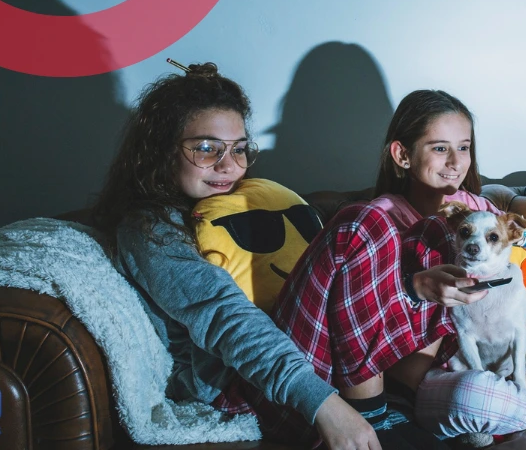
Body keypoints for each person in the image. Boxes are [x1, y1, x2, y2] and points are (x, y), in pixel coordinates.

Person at [94, 62, 451, 450]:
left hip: (313, 357)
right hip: (243, 388)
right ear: (161, 151)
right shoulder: (150, 229)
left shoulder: (251, 200)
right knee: (360, 222)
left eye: (239, 149)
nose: (228, 165)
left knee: (425, 241)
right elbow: (225, 317)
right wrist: (325, 406)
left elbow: (336, 294)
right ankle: (374, 412)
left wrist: (413, 287)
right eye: (206, 148)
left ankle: (394, 397)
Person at [354, 89, 526, 442]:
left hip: (508, 356)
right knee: (473, 395)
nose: (456, 161)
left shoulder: (476, 208)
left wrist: (516, 235)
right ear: (403, 155)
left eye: (464, 147)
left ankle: (523, 396)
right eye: (440, 148)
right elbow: (363, 316)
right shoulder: (377, 220)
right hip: (439, 372)